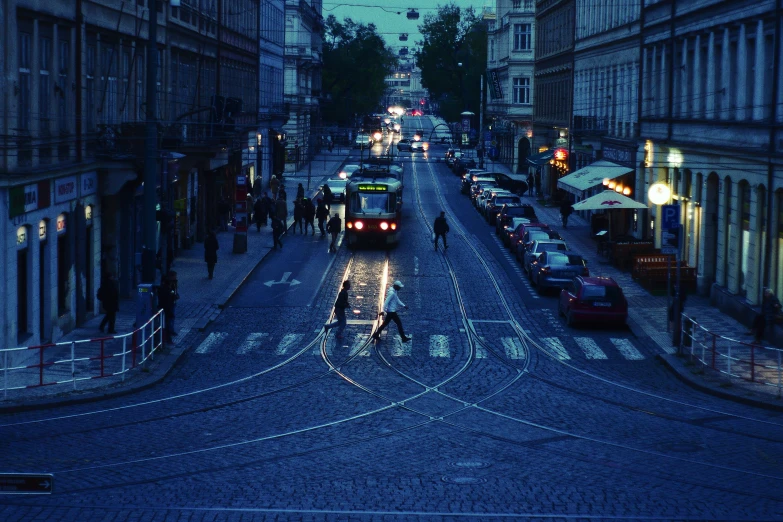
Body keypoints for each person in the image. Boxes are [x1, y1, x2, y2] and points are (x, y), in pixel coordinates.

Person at [158, 271, 179, 341]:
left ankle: (171, 331)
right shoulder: (166, 284)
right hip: (167, 304)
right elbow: (168, 293)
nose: (176, 277)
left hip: (171, 302)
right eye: (174, 276)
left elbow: (173, 291)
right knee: (168, 319)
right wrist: (173, 295)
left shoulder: (173, 283)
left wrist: (175, 294)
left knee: (171, 318)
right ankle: (168, 334)